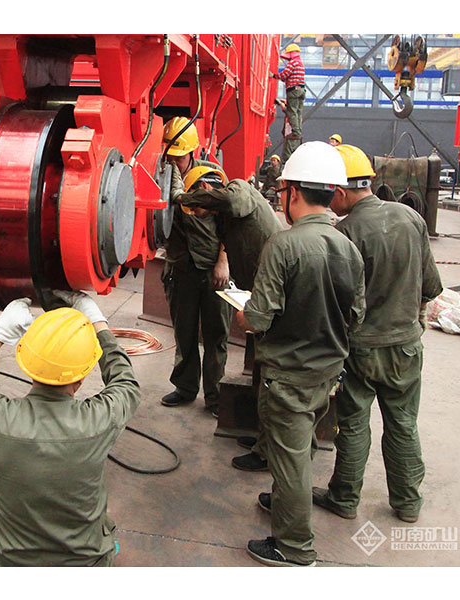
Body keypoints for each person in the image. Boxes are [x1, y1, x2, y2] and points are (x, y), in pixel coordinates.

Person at [235, 141, 366, 567]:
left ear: (293, 192)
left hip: (288, 375)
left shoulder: (284, 245)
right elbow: (356, 316)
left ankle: (294, 547)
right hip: (326, 373)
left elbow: (259, 318)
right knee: (301, 446)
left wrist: (243, 315)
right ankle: (284, 503)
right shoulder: (348, 247)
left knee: (289, 458)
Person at [0, 291, 141, 566]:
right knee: (102, 521)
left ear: (27, 364)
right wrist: (98, 323)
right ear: (81, 378)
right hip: (86, 565)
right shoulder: (100, 420)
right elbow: (125, 383)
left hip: (5, 565)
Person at [313, 145, 443, 524]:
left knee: (354, 424)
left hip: (362, 351)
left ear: (340, 191)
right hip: (405, 346)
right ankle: (407, 502)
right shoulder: (411, 218)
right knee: (403, 424)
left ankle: (344, 497)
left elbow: (336, 303)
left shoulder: (346, 232)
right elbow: (430, 286)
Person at [176, 163, 284, 472]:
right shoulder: (223, 216)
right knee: (263, 368)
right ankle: (264, 440)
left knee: (274, 373)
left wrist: (185, 198)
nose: (198, 215)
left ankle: (270, 452)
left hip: (274, 291)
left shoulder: (239, 188)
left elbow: (233, 202)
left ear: (205, 190)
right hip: (260, 289)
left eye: (198, 207)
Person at [161, 116, 232, 416]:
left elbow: (229, 222)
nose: (175, 164)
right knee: (184, 332)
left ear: (192, 152)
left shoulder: (211, 177)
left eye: (179, 158)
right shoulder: (161, 176)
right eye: (170, 158)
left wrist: (223, 261)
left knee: (216, 335)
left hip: (212, 268)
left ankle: (214, 397)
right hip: (181, 267)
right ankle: (185, 386)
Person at [271, 43, 305, 162]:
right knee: (297, 112)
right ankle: (298, 131)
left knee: (292, 112)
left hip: (293, 90)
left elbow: (285, 75)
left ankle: (296, 132)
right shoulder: (300, 63)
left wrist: (274, 76)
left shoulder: (293, 63)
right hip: (301, 90)